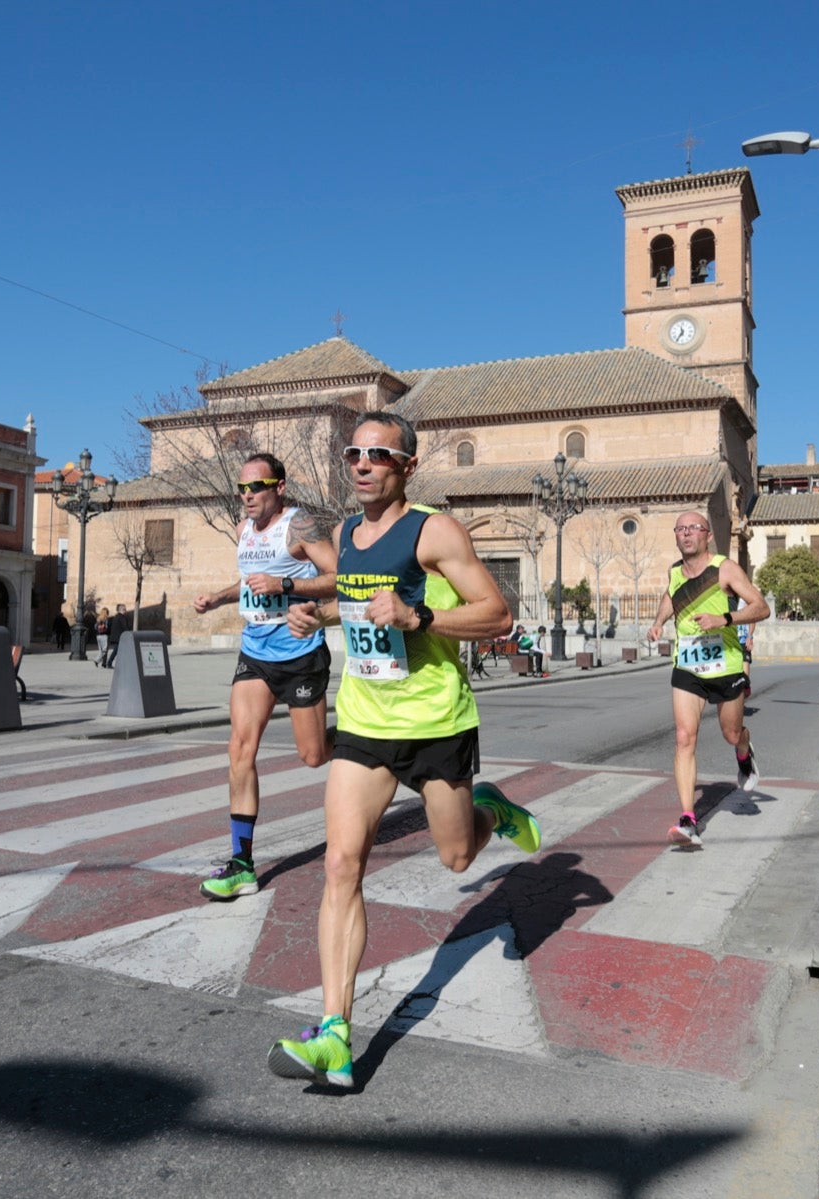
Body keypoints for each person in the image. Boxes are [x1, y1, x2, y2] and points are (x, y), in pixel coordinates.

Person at [269, 412, 539, 1089]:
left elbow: (499, 616)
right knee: (340, 863)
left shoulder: (434, 530)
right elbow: (359, 603)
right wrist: (319, 613)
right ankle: (334, 1031)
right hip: (365, 720)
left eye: (378, 454)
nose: (362, 463)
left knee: (456, 856)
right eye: (353, 452)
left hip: (436, 723)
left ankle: (487, 808)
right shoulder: (345, 534)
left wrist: (420, 616)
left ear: (406, 465)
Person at [191, 452, 340, 901]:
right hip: (256, 651)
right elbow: (250, 580)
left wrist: (287, 586)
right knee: (240, 747)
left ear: (279, 487)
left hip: (299, 653)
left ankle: (366, 740)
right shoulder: (243, 531)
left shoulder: (300, 526)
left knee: (313, 755)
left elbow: (339, 576)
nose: (247, 496)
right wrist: (218, 598)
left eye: (256, 487)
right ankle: (241, 864)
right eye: (242, 488)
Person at [646, 512, 769, 847]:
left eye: (693, 529)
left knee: (730, 733)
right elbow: (672, 596)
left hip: (725, 664)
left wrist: (724, 618)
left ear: (707, 535)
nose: (686, 534)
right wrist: (659, 621)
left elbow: (761, 607)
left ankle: (744, 750)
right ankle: (688, 819)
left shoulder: (725, 568)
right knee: (684, 737)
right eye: (681, 529)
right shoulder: (674, 571)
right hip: (687, 665)